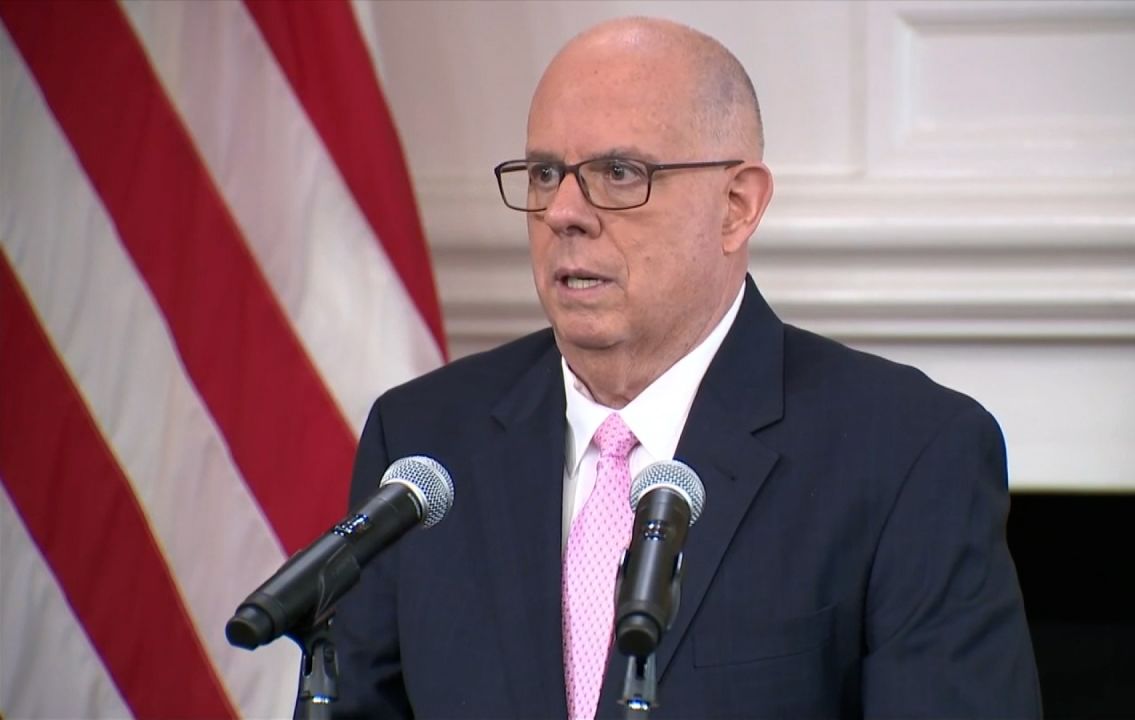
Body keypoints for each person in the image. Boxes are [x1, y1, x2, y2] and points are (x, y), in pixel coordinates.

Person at [333, 16, 1041, 719]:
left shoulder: (906, 453)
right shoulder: (424, 438)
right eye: (546, 173)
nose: (562, 213)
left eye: (618, 173)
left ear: (736, 207)